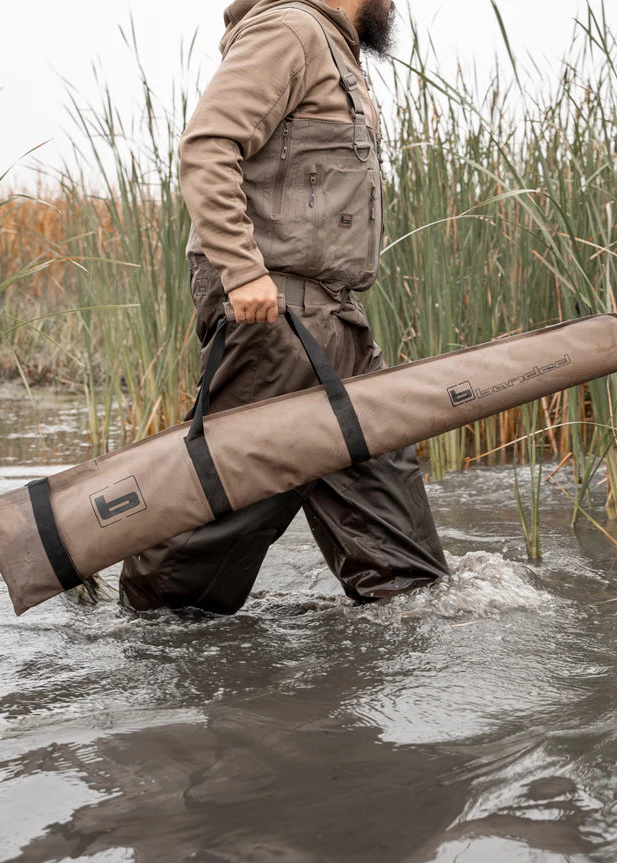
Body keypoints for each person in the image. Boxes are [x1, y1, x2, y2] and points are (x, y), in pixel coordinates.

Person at [118, 0, 449, 613]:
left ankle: (411, 649)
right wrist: (243, 274)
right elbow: (207, 145)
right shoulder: (289, 30)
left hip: (336, 321)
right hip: (280, 321)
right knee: (208, 527)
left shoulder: (332, 48)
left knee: (406, 567)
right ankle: (141, 657)